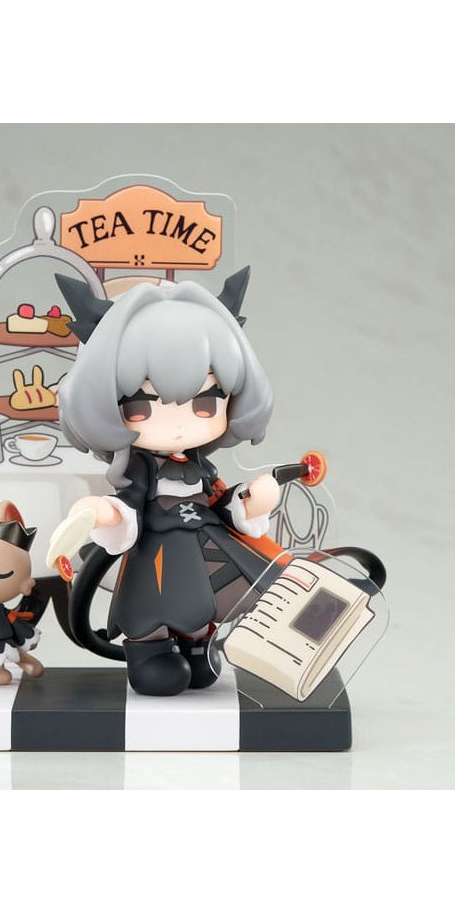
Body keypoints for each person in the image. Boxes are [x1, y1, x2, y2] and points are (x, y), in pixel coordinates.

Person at [53, 269, 281, 696]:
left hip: (203, 547)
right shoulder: (142, 470)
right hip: (155, 556)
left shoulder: (198, 464)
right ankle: (150, 650)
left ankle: (197, 643)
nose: (177, 423)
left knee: (207, 598)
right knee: (152, 604)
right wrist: (100, 512)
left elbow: (218, 502)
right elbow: (127, 505)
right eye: (142, 405)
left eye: (206, 401)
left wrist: (250, 500)